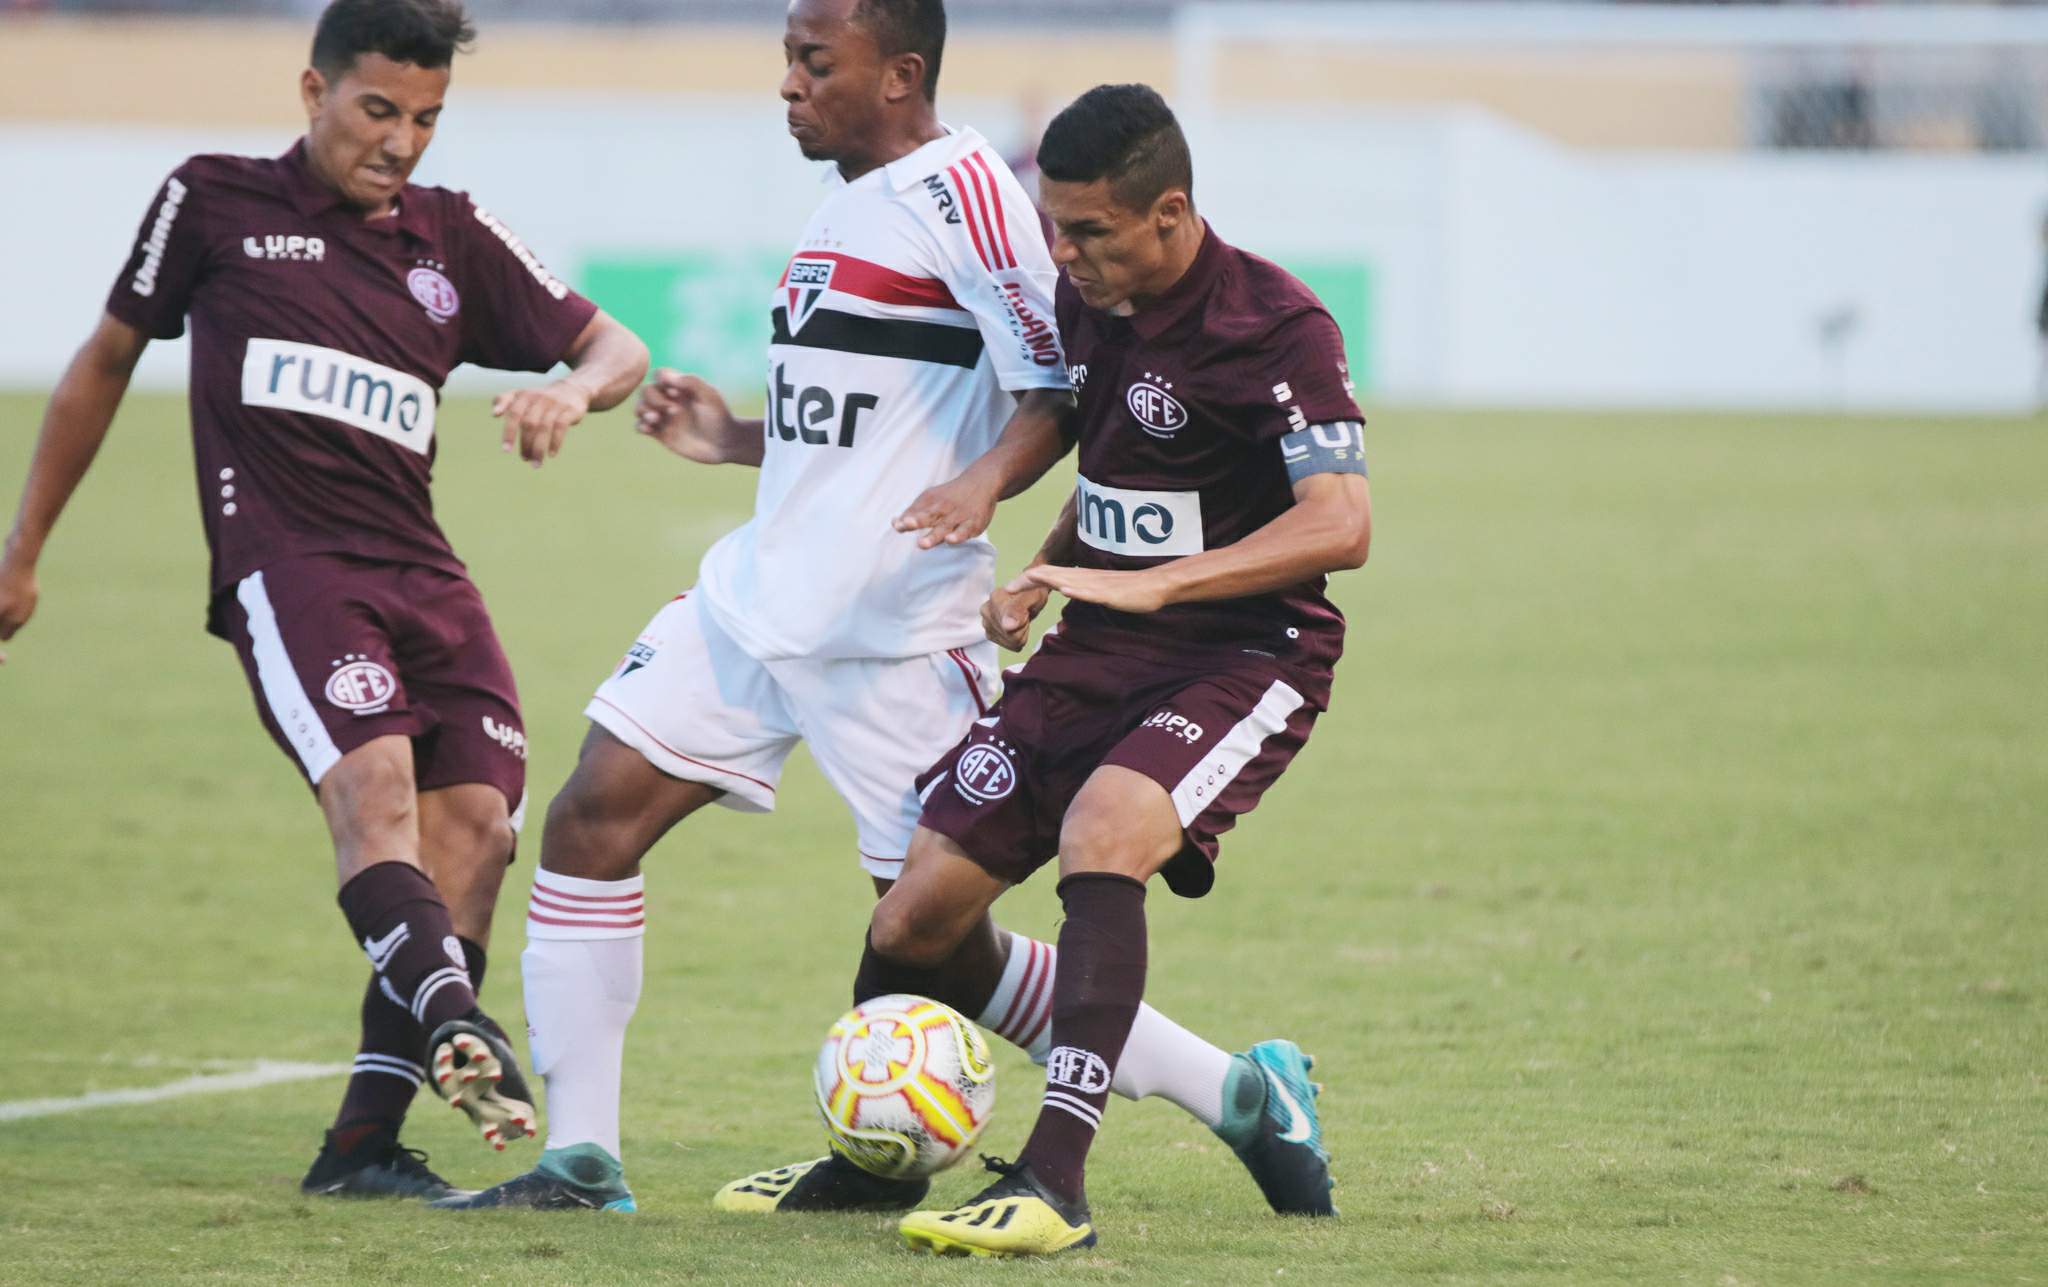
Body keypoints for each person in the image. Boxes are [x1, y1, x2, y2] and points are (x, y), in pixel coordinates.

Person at [441, 0, 1320, 1219]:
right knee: (589, 821)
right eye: (787, 60)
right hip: (755, 605)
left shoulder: (964, 194)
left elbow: (1051, 388)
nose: (789, 85)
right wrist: (737, 438)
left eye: (815, 62)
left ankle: (1228, 1089)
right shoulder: (840, 203)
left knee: (934, 942)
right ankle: (582, 1160)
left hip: (896, 634)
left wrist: (980, 488)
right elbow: (873, 420)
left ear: (898, 72)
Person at [0, 0, 650, 1200]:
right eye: (377, 110)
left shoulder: (451, 235)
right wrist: (24, 544)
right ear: (313, 93)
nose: (401, 141)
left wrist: (576, 395)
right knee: (376, 791)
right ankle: (463, 1025)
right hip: (290, 566)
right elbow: (103, 361)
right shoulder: (213, 202)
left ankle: (360, 1148)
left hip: (425, 574)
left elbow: (616, 348)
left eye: (426, 118)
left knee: (477, 836)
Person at [843, 82, 1372, 1257]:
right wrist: (1043, 568)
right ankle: (863, 1166)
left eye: (1086, 231)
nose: (1060, 252)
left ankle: (1053, 1182)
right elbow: (1122, 482)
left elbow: (1340, 525)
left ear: (1169, 215)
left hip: (1247, 652)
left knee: (1106, 828)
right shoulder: (1088, 307)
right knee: (917, 912)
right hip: (1096, 642)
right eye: (1051, 223)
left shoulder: (1278, 327)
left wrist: (1165, 585)